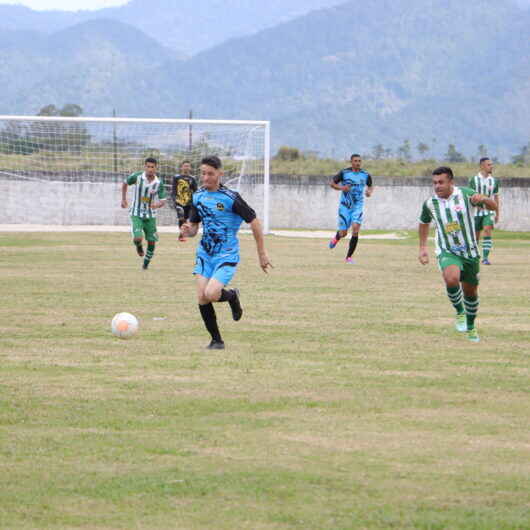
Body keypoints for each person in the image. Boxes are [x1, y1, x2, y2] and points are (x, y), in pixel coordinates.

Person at [181, 155, 273, 350]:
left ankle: (231, 296)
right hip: (205, 253)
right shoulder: (197, 196)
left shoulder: (231, 198)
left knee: (212, 293)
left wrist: (262, 253)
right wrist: (187, 230)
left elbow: (254, 222)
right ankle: (216, 341)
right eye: (203, 173)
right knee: (202, 297)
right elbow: (194, 228)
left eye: (210, 174)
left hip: (226, 254)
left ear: (220, 174)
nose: (205, 178)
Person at [418, 166, 498, 343]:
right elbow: (423, 223)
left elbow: (493, 206)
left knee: (471, 292)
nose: (437, 186)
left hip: (470, 252)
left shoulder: (465, 194)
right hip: (447, 250)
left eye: (441, 182)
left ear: (451, 182)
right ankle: (460, 313)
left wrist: (483, 198)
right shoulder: (431, 203)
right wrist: (423, 248)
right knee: (451, 278)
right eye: (434, 183)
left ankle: (470, 326)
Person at [121, 157, 167, 270]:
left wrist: (156, 205)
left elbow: (163, 201)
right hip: (136, 213)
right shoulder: (137, 177)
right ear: (144, 167)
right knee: (138, 238)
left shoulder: (158, 183)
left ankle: (145, 264)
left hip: (150, 215)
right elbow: (125, 183)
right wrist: (123, 199)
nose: (150, 169)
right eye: (148, 166)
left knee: (151, 241)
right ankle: (139, 247)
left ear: (156, 168)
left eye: (152, 167)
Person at [328, 153, 374, 263]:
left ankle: (348, 257)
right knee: (344, 233)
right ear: (351, 162)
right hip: (345, 206)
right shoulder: (344, 173)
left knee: (355, 228)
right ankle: (337, 237)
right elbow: (332, 184)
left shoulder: (365, 175)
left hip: (358, 206)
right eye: (355, 161)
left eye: (359, 161)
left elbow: (370, 186)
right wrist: (342, 188)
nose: (358, 163)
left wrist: (369, 192)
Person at [468, 157, 500, 265]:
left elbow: (496, 198)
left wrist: (497, 213)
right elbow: (470, 196)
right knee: (475, 236)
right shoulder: (473, 180)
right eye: (489, 165)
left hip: (489, 212)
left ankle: (485, 258)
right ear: (482, 166)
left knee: (487, 230)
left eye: (491, 164)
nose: (491, 166)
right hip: (476, 212)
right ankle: (474, 256)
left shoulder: (494, 181)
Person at [171, 160, 198, 242]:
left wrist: (196, 201)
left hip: (189, 203)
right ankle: (182, 235)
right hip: (179, 201)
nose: (186, 167)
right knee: (181, 218)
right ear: (181, 167)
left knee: (187, 219)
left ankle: (182, 235)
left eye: (188, 166)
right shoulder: (177, 177)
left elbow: (195, 191)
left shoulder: (192, 179)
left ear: (190, 168)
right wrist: (174, 199)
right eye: (185, 166)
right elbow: (174, 190)